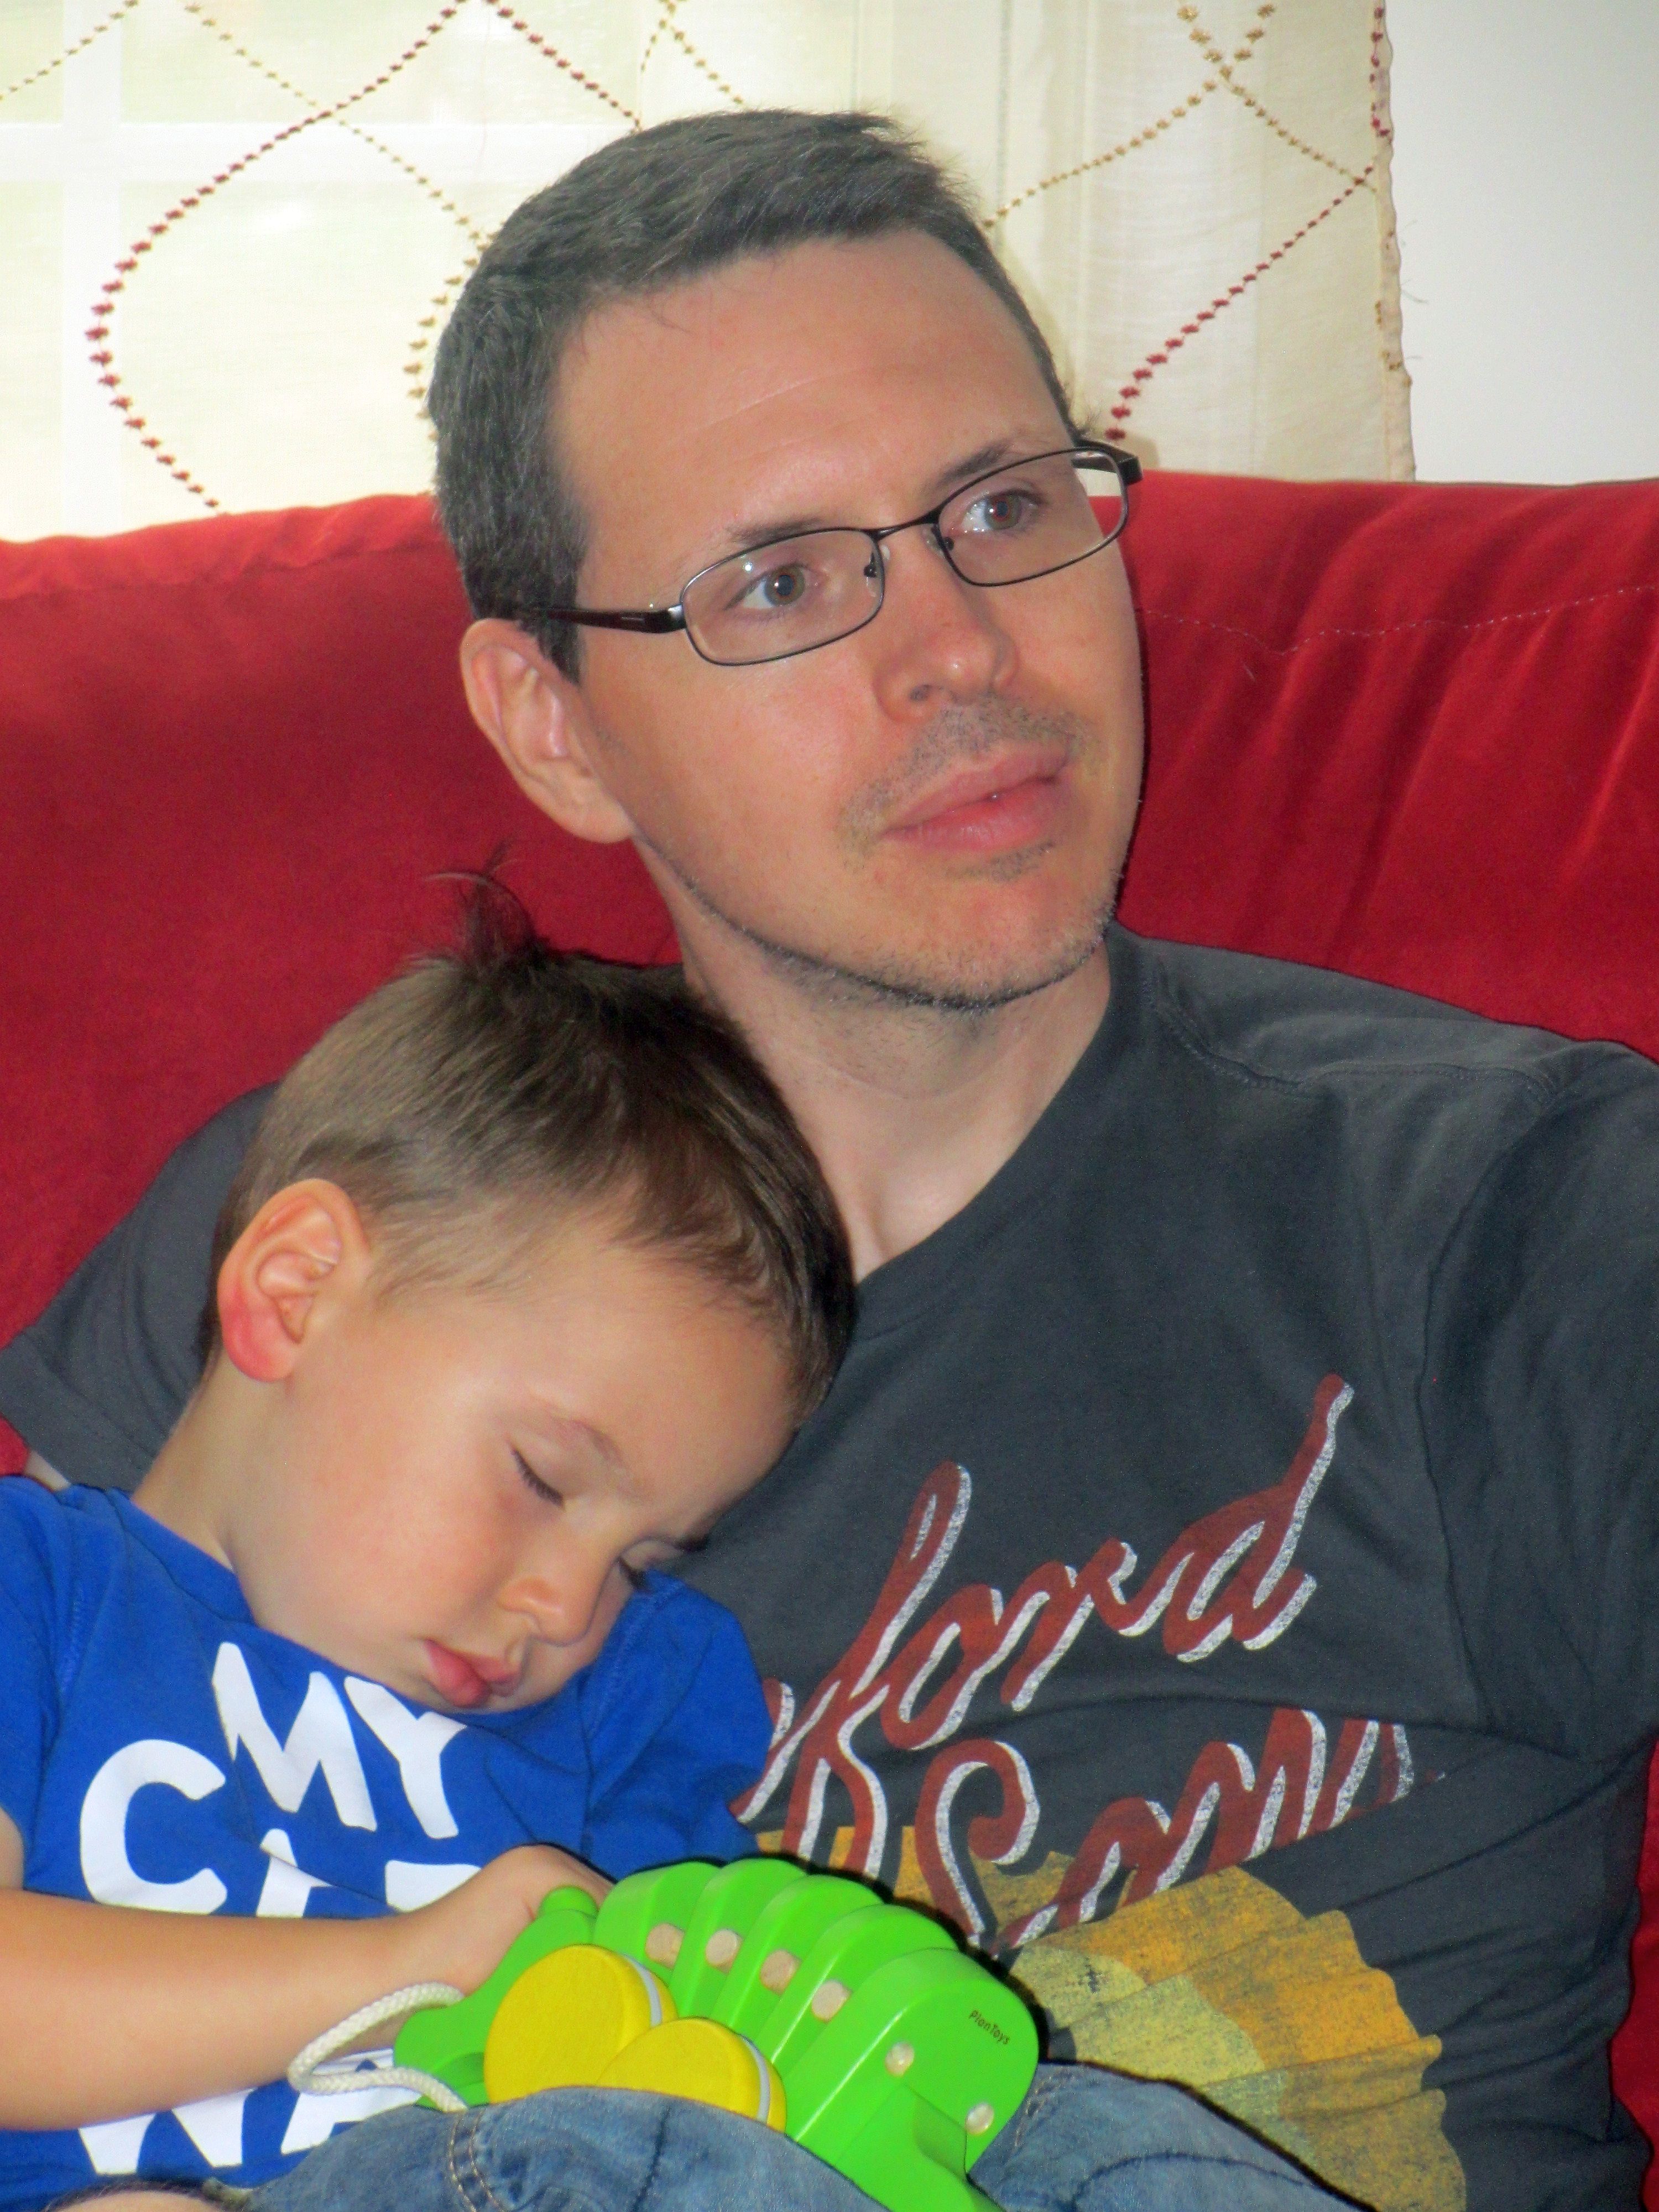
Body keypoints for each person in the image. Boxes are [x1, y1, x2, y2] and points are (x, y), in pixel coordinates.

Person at [6, 106, 1658, 2212]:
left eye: (1005, 507)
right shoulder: (381, 1213)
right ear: (554, 725)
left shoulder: (1516, 1215)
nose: (960, 647)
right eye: (780, 581)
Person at [0, 905, 857, 2209]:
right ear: (294, 1293)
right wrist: (409, 1967)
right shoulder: (39, 1592)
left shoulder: (623, 1701)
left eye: (641, 1555)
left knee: (1084, 2138)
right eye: (543, 1477)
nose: (566, 1605)